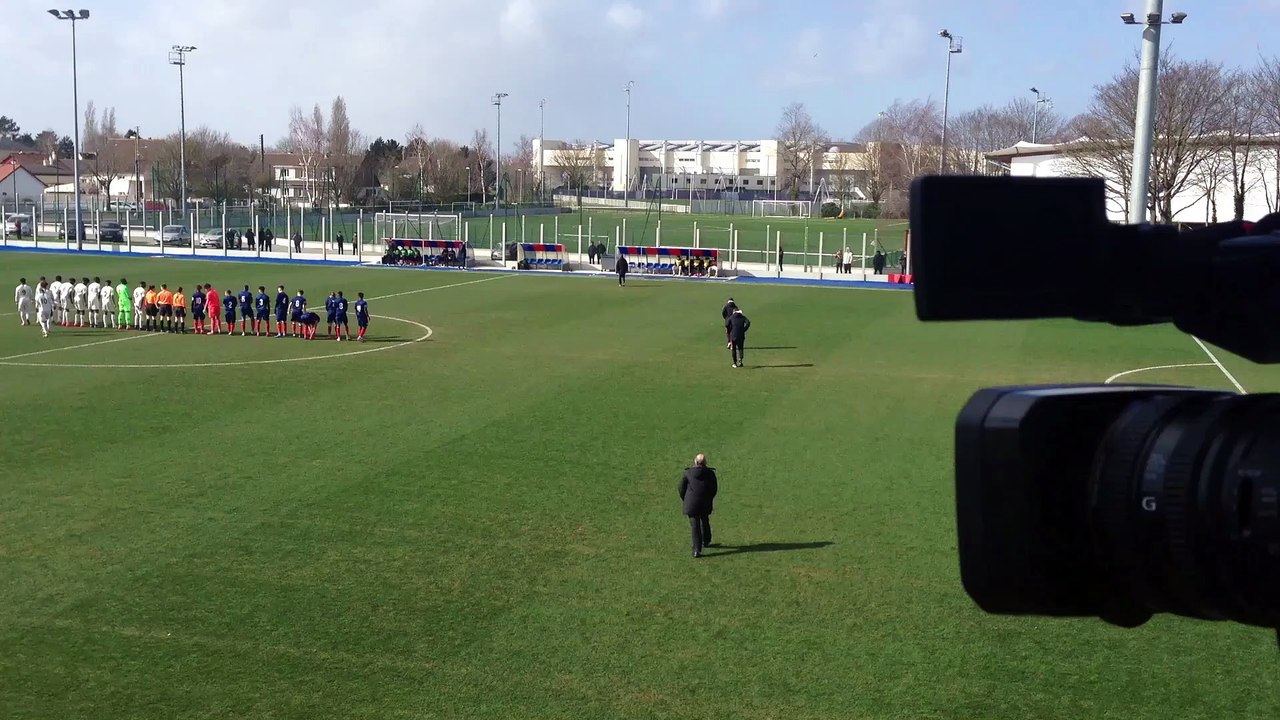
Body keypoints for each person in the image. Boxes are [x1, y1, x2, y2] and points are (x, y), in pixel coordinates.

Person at [679, 453, 719, 558]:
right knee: (705, 520)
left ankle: (696, 550)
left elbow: (681, 488)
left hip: (691, 503)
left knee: (695, 526)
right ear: (705, 462)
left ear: (695, 462)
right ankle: (706, 540)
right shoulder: (710, 473)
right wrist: (709, 498)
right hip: (705, 502)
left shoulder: (688, 473)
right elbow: (714, 488)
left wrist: (686, 499)